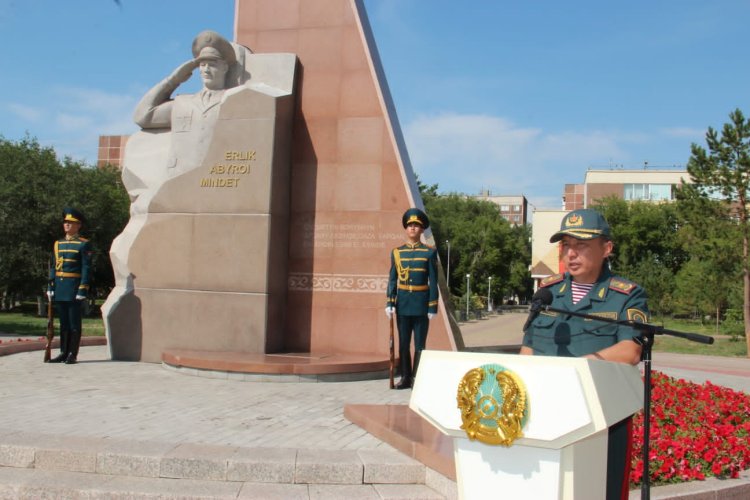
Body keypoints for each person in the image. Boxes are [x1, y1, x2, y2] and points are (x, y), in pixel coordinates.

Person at [520, 208, 649, 500]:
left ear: (606, 248)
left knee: (601, 491)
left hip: (602, 417)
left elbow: (630, 349)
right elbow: (528, 348)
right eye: (566, 245)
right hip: (545, 412)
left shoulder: (626, 294)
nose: (571, 254)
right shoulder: (548, 293)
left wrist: (576, 369)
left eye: (581, 246)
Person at [132, 30, 238, 176]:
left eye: (212, 64)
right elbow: (142, 116)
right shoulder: (183, 103)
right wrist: (173, 79)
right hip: (178, 182)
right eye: (202, 64)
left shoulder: (234, 101)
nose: (206, 69)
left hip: (217, 180)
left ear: (225, 67)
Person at [386, 208, 439, 389]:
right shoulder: (397, 253)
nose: (412, 228)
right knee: (402, 345)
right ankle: (405, 378)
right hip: (403, 304)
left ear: (422, 229)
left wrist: (432, 306)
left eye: (416, 225)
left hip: (421, 304)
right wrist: (390, 302)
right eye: (410, 225)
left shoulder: (429, 253)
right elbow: (392, 280)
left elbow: (433, 281)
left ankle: (418, 379)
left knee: (419, 345)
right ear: (405, 229)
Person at [47, 208, 92, 364]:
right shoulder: (58, 244)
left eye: (70, 223)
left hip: (73, 288)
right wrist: (50, 286)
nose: (66, 225)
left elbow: (86, 268)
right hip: (59, 287)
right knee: (63, 323)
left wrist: (82, 288)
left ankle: (72, 353)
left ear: (78, 225)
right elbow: (54, 266)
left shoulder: (83, 244)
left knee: (74, 323)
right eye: (65, 222)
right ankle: (63, 352)